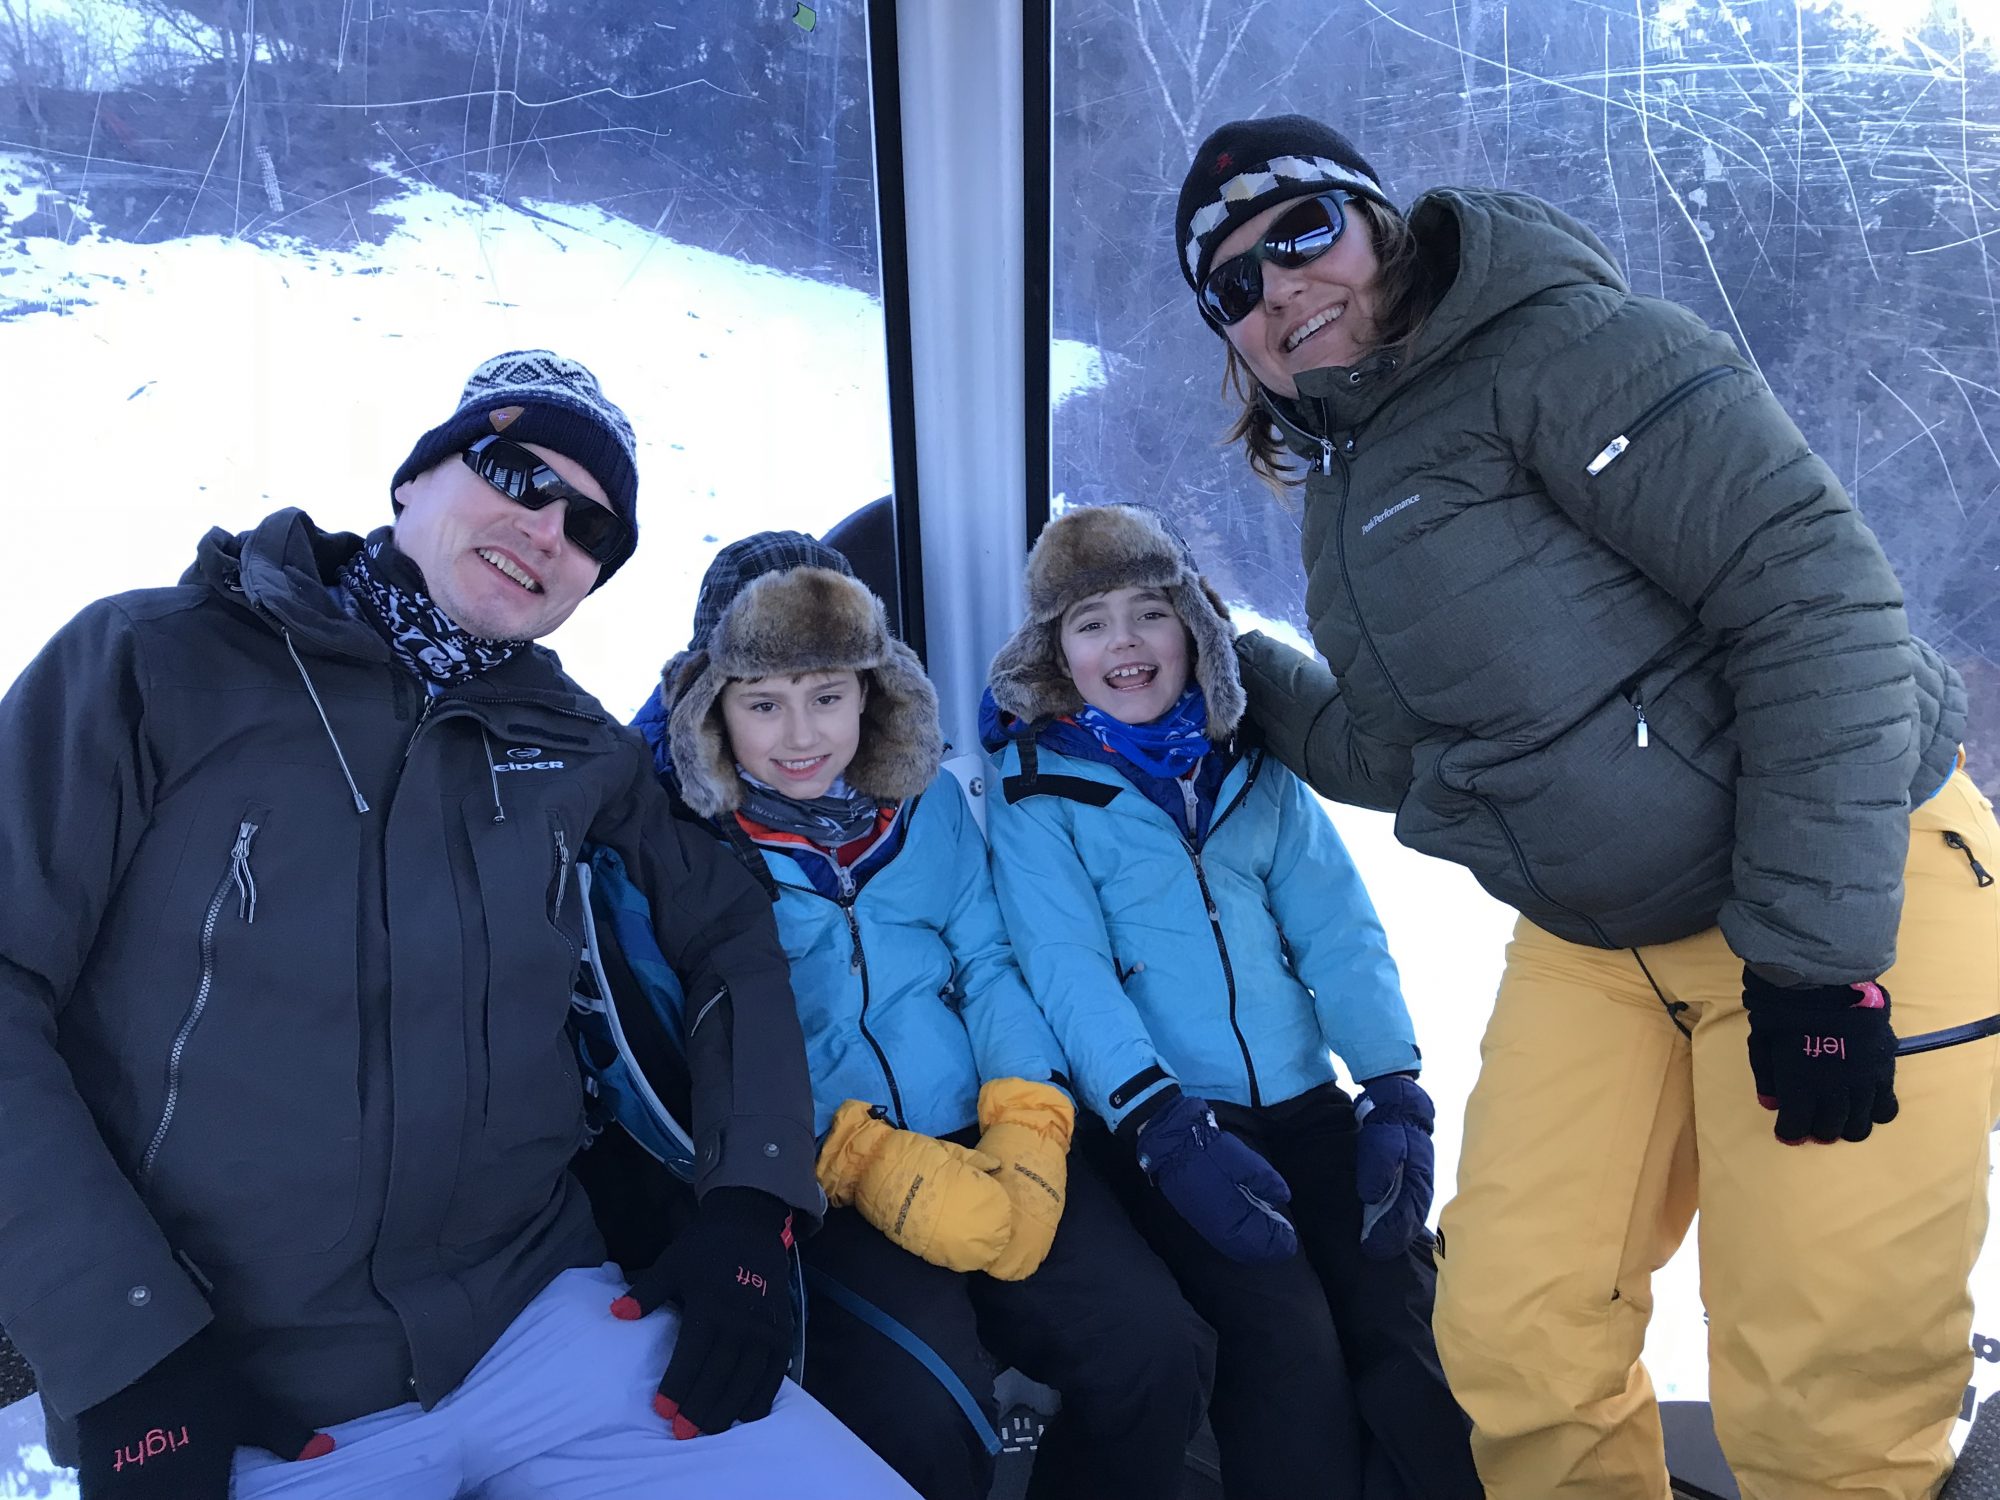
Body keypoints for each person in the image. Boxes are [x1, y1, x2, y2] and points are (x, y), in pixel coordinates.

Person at [1174, 113, 2000, 1498]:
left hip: (1843, 892)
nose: (1279, 292)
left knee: (1823, 1389)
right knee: (1516, 1340)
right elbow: (1414, 749)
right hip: (1603, 946)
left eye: (1300, 234)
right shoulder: (1350, 481)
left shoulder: (1565, 345)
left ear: (1378, 220)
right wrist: (1217, 666)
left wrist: (1815, 963)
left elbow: (1816, 606)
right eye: (1234, 288)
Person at [0, 350, 914, 1499]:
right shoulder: (151, 662)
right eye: (513, 473)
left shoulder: (577, 745)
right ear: (411, 481)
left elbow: (725, 925)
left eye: (591, 530)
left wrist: (749, 1202)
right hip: (245, 1382)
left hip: (548, 1322)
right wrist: (123, 1342)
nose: (547, 530)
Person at [629, 531, 1214, 1500]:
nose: (801, 735)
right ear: (712, 708)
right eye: (762, 704)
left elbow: (986, 962)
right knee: (923, 1418)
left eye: (828, 696)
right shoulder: (695, 852)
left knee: (1152, 1348)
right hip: (826, 1171)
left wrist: (1024, 1112)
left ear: (872, 690)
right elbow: (725, 1035)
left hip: (975, 1117)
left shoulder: (925, 805)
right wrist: (851, 1153)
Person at [980, 503, 1481, 1499]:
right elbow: (1063, 968)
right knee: (1283, 1339)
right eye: (1088, 625)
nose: (1122, 644)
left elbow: (1336, 929)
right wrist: (1161, 1124)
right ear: (1056, 658)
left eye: (1146, 614)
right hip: (1165, 1122)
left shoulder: (1249, 765)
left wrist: (1389, 1088)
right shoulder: (1034, 790)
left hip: (1303, 1106)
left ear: (1192, 630)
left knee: (1398, 1310)